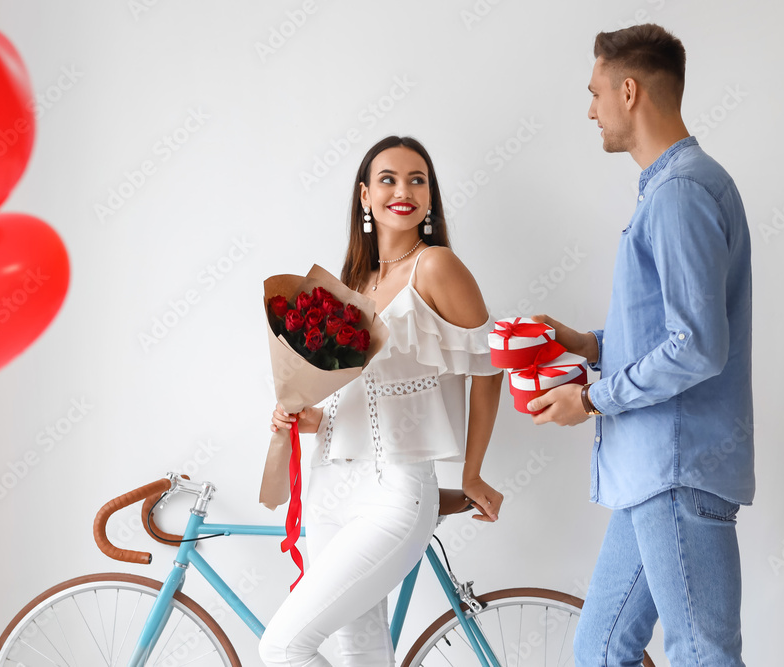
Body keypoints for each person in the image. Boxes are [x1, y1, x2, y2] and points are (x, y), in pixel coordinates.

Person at [528, 24, 754, 667]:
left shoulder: (681, 192)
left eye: (596, 91)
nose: (590, 109)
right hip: (651, 475)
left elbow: (697, 346)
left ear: (629, 91)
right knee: (600, 648)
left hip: (676, 467)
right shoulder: (670, 187)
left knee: (702, 654)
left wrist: (592, 399)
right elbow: (666, 334)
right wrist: (585, 342)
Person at [259, 136, 505, 667]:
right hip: (330, 486)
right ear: (365, 197)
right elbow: (363, 398)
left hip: (395, 490)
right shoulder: (353, 282)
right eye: (388, 179)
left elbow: (490, 369)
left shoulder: (436, 267)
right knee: (360, 653)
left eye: (418, 179)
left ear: (431, 197)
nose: (404, 190)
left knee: (282, 647)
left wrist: (472, 473)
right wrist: (307, 415)